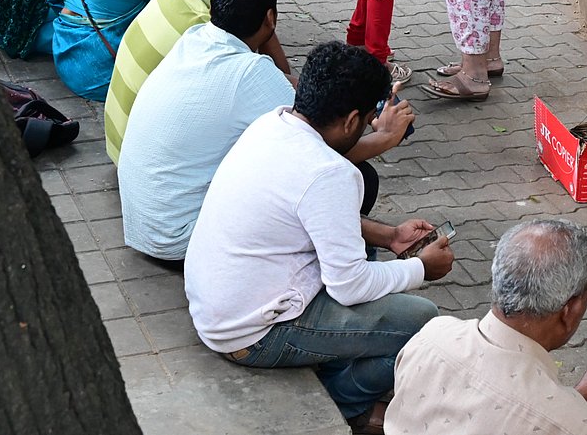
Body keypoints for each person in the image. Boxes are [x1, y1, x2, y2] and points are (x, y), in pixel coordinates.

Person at [184, 41, 451, 435]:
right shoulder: (330, 173)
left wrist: (390, 235)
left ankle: (343, 359)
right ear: (351, 120)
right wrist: (419, 268)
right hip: (251, 333)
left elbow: (312, 215)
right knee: (424, 324)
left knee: (369, 265)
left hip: (217, 305)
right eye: (365, 122)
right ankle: (344, 400)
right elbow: (350, 286)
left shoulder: (272, 123)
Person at [385, 220, 587, 435]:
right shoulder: (573, 426)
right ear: (570, 310)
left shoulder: (431, 336)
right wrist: (568, 410)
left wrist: (570, 401)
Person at [118, 0, 289, 263]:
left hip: (145, 227)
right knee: (346, 176)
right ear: (270, 18)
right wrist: (385, 136)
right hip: (182, 241)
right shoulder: (250, 72)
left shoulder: (195, 37)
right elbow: (319, 140)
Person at [104, 0, 294, 165]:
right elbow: (292, 108)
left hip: (124, 144)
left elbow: (270, 48)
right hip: (146, 159)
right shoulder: (208, 32)